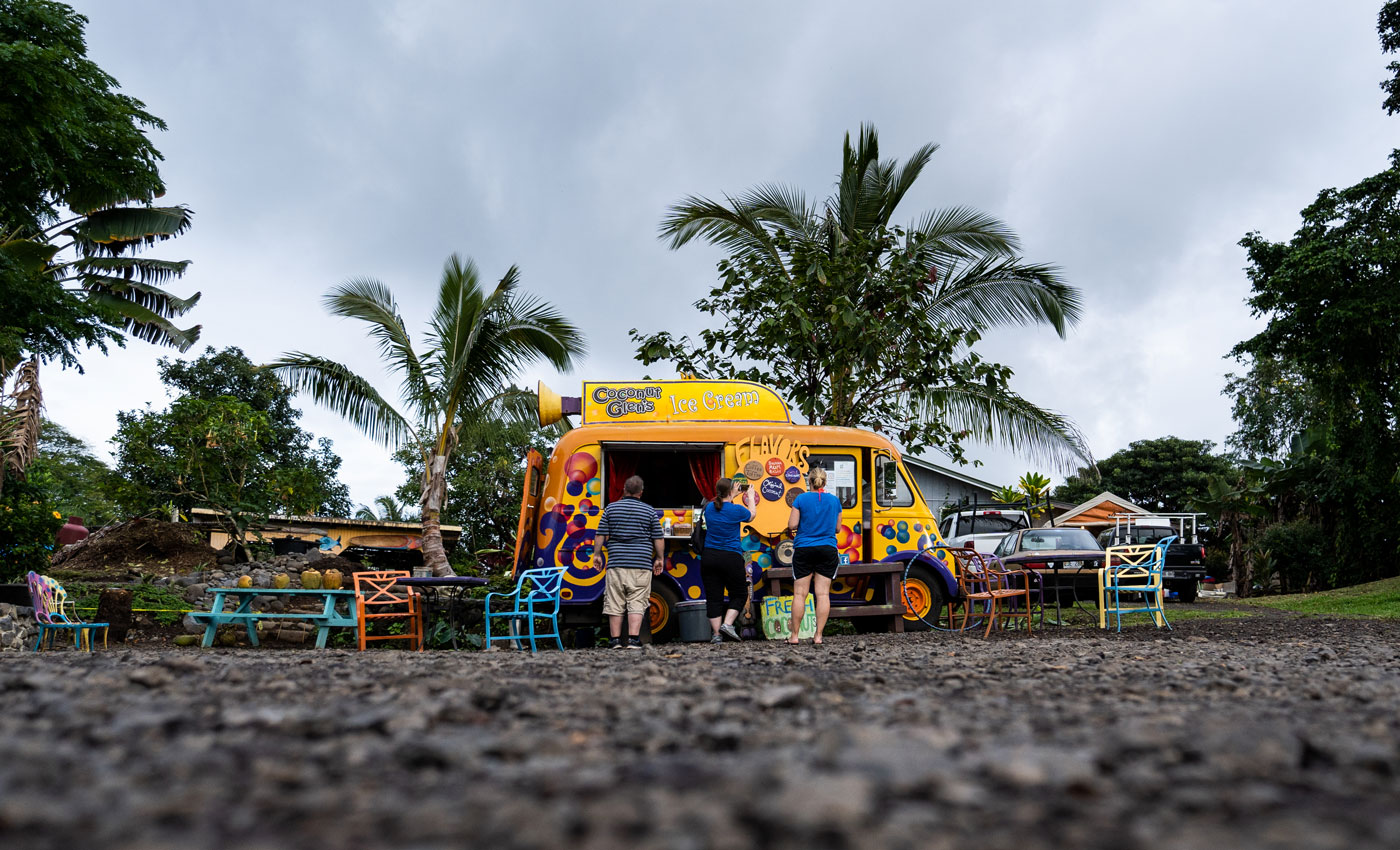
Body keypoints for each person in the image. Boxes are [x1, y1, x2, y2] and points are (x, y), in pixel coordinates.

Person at [596, 474, 664, 650]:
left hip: (616, 562)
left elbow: (600, 533)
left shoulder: (611, 509)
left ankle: (615, 641)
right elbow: (658, 537)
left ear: (624, 490)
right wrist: (659, 558)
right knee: (637, 601)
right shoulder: (649, 511)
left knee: (614, 601)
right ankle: (633, 640)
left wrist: (597, 554)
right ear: (641, 492)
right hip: (641, 564)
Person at [786, 466, 841, 645]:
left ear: (809, 481)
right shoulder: (834, 501)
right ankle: (818, 636)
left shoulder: (801, 499)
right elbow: (837, 529)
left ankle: (794, 636)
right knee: (823, 594)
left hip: (804, 548)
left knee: (800, 594)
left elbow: (792, 525)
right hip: (827, 548)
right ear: (825, 481)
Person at [701, 477, 759, 643]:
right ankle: (727, 624)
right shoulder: (736, 510)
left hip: (709, 556)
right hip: (731, 557)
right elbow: (752, 515)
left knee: (714, 597)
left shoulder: (709, 508)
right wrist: (750, 495)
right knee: (740, 593)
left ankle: (716, 635)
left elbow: (722, 504)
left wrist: (732, 494)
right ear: (731, 490)